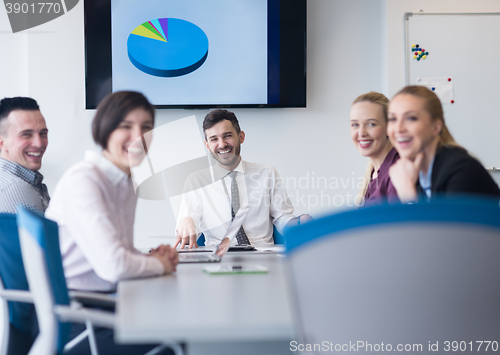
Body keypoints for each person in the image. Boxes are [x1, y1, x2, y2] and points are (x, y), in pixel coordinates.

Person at [45, 91, 178, 354]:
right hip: (75, 318)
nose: (138, 136)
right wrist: (158, 265)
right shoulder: (84, 181)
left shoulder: (124, 179)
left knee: (179, 317)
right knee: (177, 338)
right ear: (105, 129)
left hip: (103, 303)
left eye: (147, 127)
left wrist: (149, 257)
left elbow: (119, 252)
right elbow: (114, 265)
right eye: (125, 126)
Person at [174, 109, 312, 249]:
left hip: (263, 256)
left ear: (241, 137)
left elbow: (282, 219)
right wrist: (186, 220)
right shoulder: (197, 181)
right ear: (207, 145)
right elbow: (187, 236)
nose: (222, 144)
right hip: (219, 259)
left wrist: (300, 222)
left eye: (227, 136)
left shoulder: (267, 173)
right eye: (214, 139)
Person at [387, 85, 500, 202]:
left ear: (436, 127)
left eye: (411, 118)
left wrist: (407, 192)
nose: (398, 129)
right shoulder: (416, 171)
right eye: (392, 119)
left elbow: (441, 221)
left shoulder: (461, 169)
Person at [0, 97, 50, 213]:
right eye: (26, 134)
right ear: (1, 143)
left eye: (43, 133)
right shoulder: (17, 189)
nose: (39, 144)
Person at [350, 92, 399, 206]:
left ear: (389, 127)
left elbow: (398, 222)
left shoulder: (397, 171)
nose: (361, 133)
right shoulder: (373, 171)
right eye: (355, 125)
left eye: (371, 124)